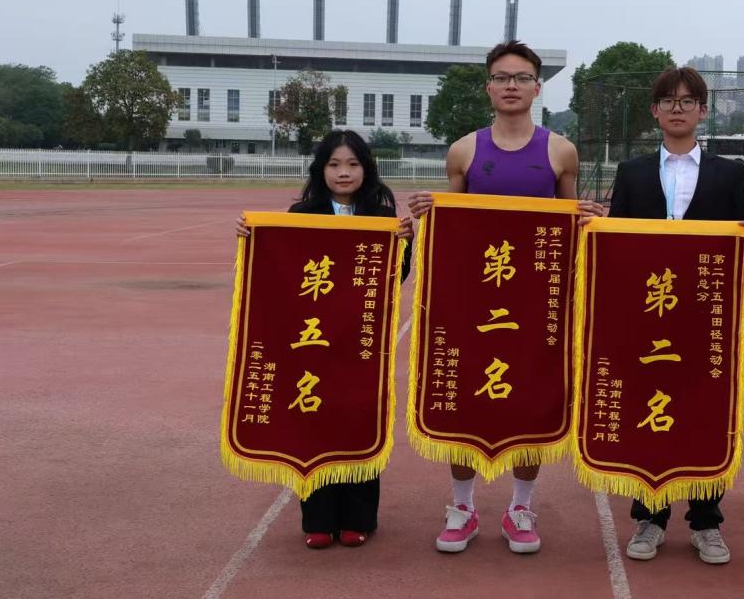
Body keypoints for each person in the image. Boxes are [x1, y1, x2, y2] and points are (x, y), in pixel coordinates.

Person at [405, 41, 602, 556]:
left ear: (537, 88)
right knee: (465, 397)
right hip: (474, 301)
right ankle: (462, 506)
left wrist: (590, 221)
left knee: (531, 401)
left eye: (522, 78)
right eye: (501, 77)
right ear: (488, 87)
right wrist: (430, 208)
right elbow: (453, 225)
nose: (511, 86)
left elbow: (571, 229)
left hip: (536, 305)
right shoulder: (464, 151)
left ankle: (520, 507)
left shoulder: (560, 151)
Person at [605, 66, 744, 567]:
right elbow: (614, 244)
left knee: (705, 413)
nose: (677, 108)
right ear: (654, 111)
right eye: (668, 100)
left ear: (703, 111)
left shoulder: (728, 172)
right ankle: (649, 516)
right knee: (647, 410)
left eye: (687, 101)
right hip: (647, 317)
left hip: (704, 317)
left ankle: (706, 522)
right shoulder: (631, 172)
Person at [234, 130, 414, 550]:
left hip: (359, 342)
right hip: (312, 342)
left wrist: (404, 245)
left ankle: (358, 518)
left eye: (352, 164)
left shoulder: (381, 215)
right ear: (321, 170)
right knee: (313, 420)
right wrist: (252, 236)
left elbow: (396, 276)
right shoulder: (301, 213)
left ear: (366, 169)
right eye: (334, 164)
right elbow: (277, 268)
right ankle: (317, 518)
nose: (343, 172)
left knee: (358, 421)